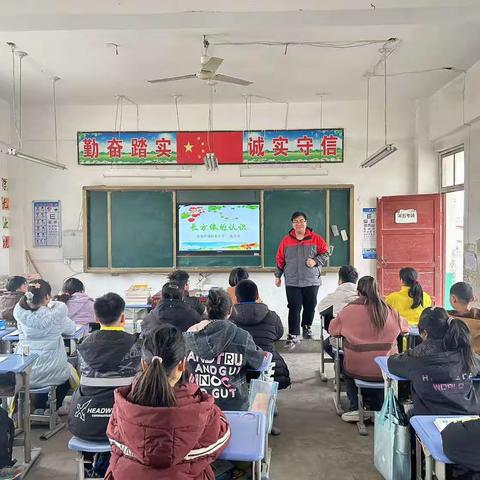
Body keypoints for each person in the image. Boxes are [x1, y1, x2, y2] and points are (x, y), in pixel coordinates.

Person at [106, 326, 230, 480]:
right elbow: (220, 440)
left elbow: (114, 442)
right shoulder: (202, 410)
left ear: (144, 364)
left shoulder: (122, 406)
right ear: (182, 365)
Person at [328, 276, 409, 422]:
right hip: (385, 369)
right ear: (378, 291)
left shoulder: (348, 310)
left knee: (345, 367)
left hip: (357, 369)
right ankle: (380, 407)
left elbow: (332, 330)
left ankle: (355, 407)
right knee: (379, 368)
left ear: (358, 292)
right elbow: (405, 328)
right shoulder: (389, 310)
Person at [68, 292, 141, 441]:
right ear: (122, 318)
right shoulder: (137, 346)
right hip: (126, 425)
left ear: (96, 318)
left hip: (85, 423)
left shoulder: (83, 345)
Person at [388, 307, 479, 417]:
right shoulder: (465, 353)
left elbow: (391, 363)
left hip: (431, 419)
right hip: (470, 418)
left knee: (408, 415)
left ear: (425, 333)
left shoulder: (415, 358)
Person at [185, 288, 265, 411]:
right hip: (234, 407)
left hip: (197, 406)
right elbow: (258, 362)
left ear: (206, 309)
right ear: (230, 310)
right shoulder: (241, 336)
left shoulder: (187, 337)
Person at [14, 280, 76, 414]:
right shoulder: (56, 315)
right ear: (48, 297)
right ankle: (52, 408)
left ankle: (38, 406)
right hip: (54, 372)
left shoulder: (20, 315)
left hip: (26, 371)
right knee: (68, 374)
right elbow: (71, 329)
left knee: (41, 372)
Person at [274, 211, 329, 348]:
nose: (299, 224)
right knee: (294, 306)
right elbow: (280, 259)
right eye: (295, 221)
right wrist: (277, 276)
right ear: (292, 224)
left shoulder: (316, 239)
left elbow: (326, 253)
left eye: (301, 220)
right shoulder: (286, 241)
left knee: (310, 306)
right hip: (292, 280)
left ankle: (306, 327)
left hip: (311, 280)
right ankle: (293, 334)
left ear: (306, 222)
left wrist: (315, 261)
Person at [230, 279, 291, 390]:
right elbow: (278, 335)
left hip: (237, 369)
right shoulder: (272, 316)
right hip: (269, 369)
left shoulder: (229, 318)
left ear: (236, 298)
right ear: (257, 296)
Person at [317, 266, 359, 362]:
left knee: (326, 344)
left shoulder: (333, 297)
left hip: (342, 339)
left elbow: (321, 309)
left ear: (340, 280)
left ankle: (342, 366)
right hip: (365, 338)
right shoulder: (364, 295)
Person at [448, 281, 480, 353]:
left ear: (453, 298)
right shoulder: (477, 316)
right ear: (472, 298)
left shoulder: (447, 318)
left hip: (455, 361)